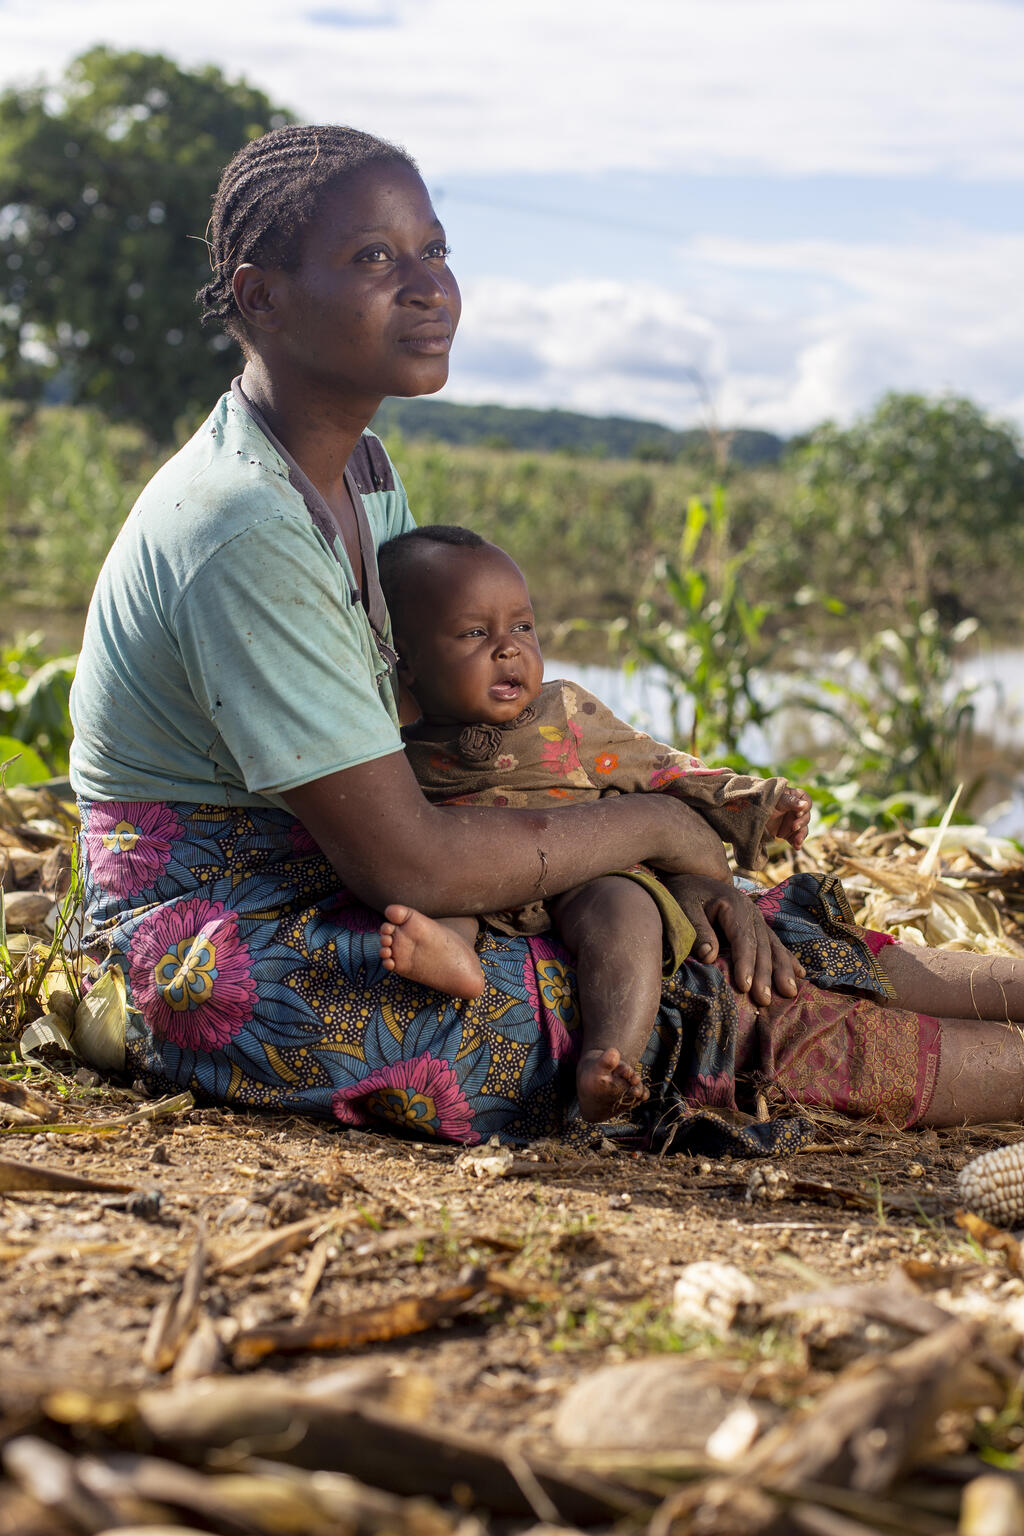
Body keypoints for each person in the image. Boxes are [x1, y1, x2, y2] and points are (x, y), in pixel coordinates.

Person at [68, 122, 1024, 1157]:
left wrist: (690, 873)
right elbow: (413, 862)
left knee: (749, 934)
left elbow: (433, 743)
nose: (430, 285)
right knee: (675, 1018)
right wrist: (658, 830)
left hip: (369, 866)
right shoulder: (242, 527)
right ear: (262, 297)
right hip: (238, 926)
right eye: (375, 258)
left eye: (434, 249)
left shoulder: (362, 474)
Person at [375, 524, 812, 1121]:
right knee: (433, 900)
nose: (508, 649)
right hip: (478, 879)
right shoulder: (394, 747)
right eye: (475, 633)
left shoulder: (565, 714)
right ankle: (455, 957)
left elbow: (661, 768)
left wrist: (759, 802)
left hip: (588, 873)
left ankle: (607, 1059)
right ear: (409, 667)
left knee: (625, 913)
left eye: (522, 628)